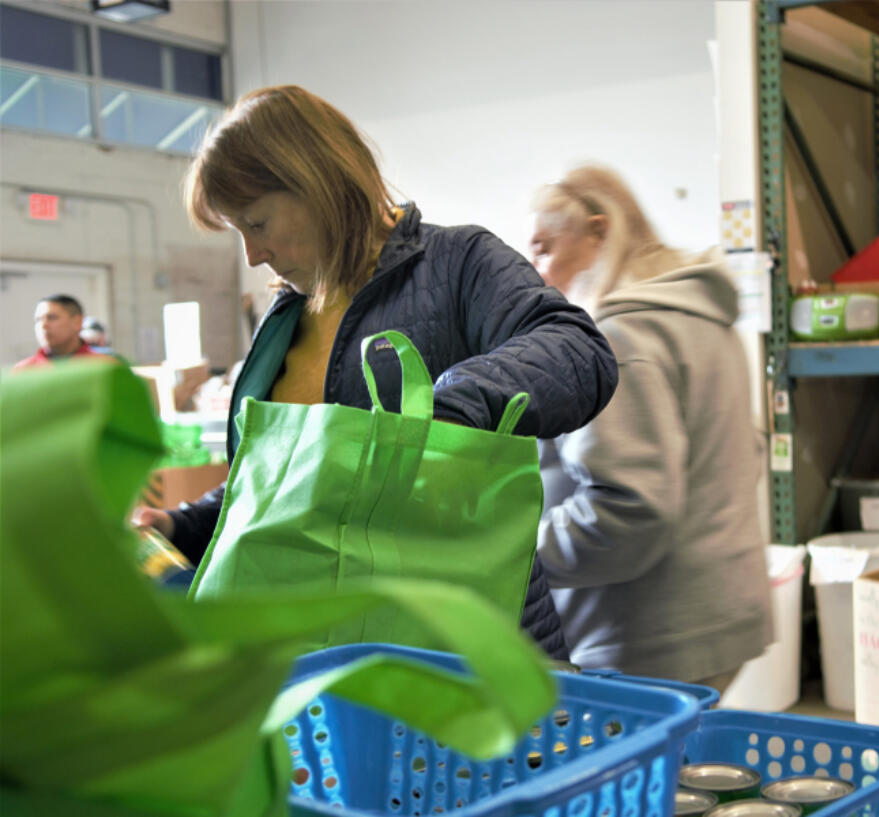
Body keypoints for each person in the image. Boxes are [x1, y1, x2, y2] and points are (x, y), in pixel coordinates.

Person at [131, 85, 619, 659]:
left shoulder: (458, 264)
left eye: (257, 223)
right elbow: (287, 482)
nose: (251, 256)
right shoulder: (287, 319)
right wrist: (179, 524)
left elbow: (577, 349)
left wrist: (448, 408)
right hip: (330, 671)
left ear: (316, 186)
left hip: (470, 662)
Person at [529, 165, 772, 689]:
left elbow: (630, 510)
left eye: (544, 248)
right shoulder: (698, 312)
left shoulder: (621, 336)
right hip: (719, 608)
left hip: (653, 633)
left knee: (631, 770)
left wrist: (517, 553)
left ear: (598, 231)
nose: (536, 272)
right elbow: (746, 449)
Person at [13, 295, 113, 370]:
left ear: (77, 322)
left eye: (52, 318)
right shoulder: (23, 371)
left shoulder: (104, 367)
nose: (43, 326)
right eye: (38, 320)